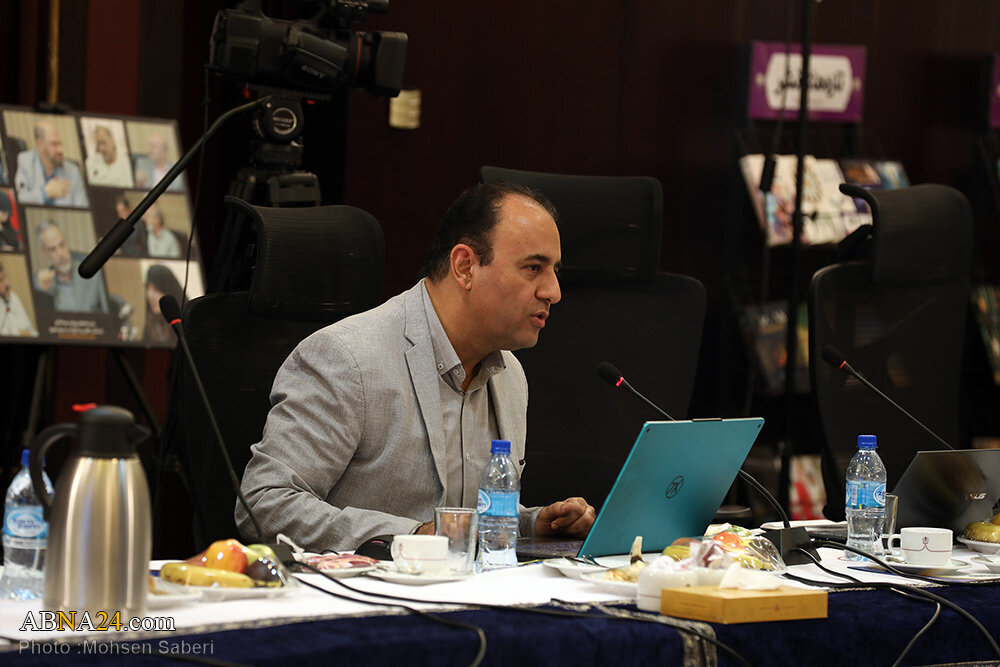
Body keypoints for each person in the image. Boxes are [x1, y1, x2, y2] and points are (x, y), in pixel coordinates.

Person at [237, 182, 596, 552]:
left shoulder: (510, 375)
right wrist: (413, 538)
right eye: (534, 267)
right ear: (465, 267)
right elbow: (265, 504)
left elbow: (461, 520)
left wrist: (533, 524)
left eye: (554, 270)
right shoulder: (347, 357)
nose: (553, 292)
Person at [33, 220, 109, 313]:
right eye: (53, 249)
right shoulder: (42, 284)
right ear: (44, 253)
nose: (60, 253)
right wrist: (43, 291)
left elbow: (108, 312)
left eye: (62, 245)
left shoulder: (94, 273)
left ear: (67, 242)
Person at [14, 120, 89, 207]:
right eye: (54, 144)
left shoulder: (73, 170)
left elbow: (82, 207)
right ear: (40, 143)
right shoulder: (25, 161)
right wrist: (45, 192)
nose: (60, 150)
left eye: (60, 144)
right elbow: (19, 198)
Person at [143, 264, 183, 344]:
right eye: (148, 288)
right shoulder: (151, 322)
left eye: (156, 289)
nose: (150, 296)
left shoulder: (185, 320)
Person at [0, 261, 37, 337]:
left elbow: (30, 331)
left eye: (6, 277)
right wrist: (19, 333)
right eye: (1, 280)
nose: (7, 283)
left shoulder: (13, 297)